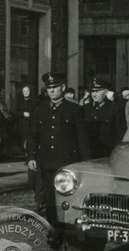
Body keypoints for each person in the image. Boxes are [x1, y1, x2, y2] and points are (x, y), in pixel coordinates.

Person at [27, 72, 91, 226]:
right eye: (49, 88)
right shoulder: (40, 110)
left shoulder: (74, 109)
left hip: (68, 162)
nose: (52, 91)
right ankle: (54, 229)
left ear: (62, 87)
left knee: (68, 196)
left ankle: (68, 228)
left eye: (55, 87)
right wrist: (31, 156)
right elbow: (33, 135)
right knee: (50, 198)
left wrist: (86, 162)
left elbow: (82, 138)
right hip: (47, 161)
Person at [83, 78, 126, 159]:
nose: (94, 94)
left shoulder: (114, 108)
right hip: (90, 153)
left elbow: (120, 132)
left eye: (97, 91)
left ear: (105, 92)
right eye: (92, 91)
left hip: (107, 152)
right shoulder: (86, 108)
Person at [13, 85, 38, 151]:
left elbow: (37, 113)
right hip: (22, 125)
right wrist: (23, 114)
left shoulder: (34, 101)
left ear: (30, 91)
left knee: (30, 141)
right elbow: (15, 112)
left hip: (31, 124)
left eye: (27, 91)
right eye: (24, 91)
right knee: (23, 140)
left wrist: (31, 115)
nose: (26, 92)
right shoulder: (19, 101)